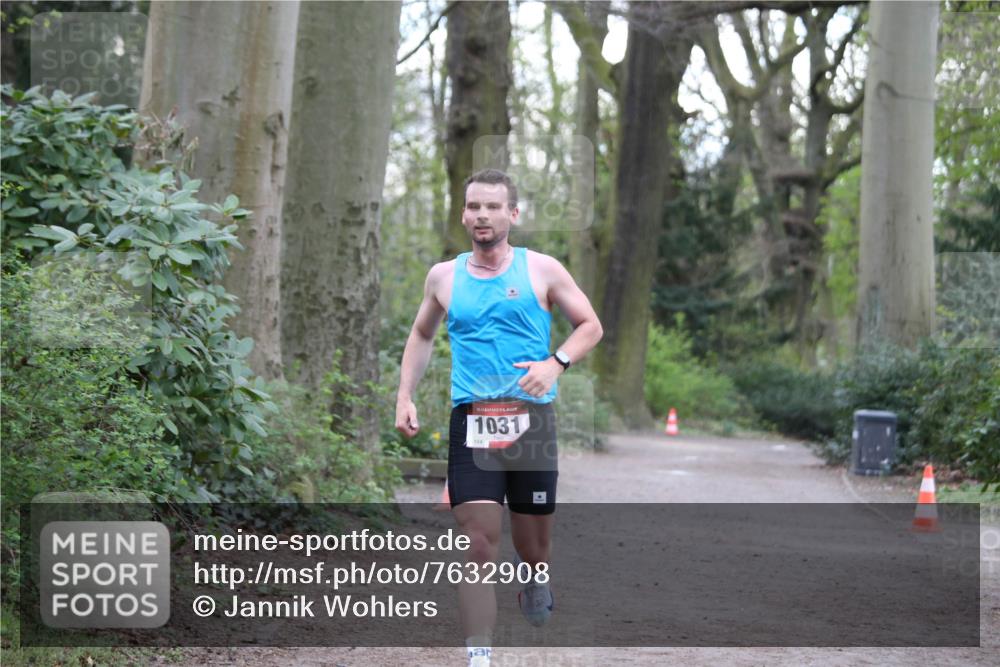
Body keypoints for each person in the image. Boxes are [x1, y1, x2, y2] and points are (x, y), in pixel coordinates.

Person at [395, 169, 603, 667]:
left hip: (530, 423)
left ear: (513, 213)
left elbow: (590, 326)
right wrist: (405, 393)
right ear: (464, 213)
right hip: (472, 420)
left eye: (492, 206)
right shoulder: (444, 276)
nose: (481, 215)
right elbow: (422, 335)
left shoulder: (543, 270)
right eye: (473, 207)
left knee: (533, 547)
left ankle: (535, 578)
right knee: (477, 543)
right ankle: (479, 655)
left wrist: (555, 364)